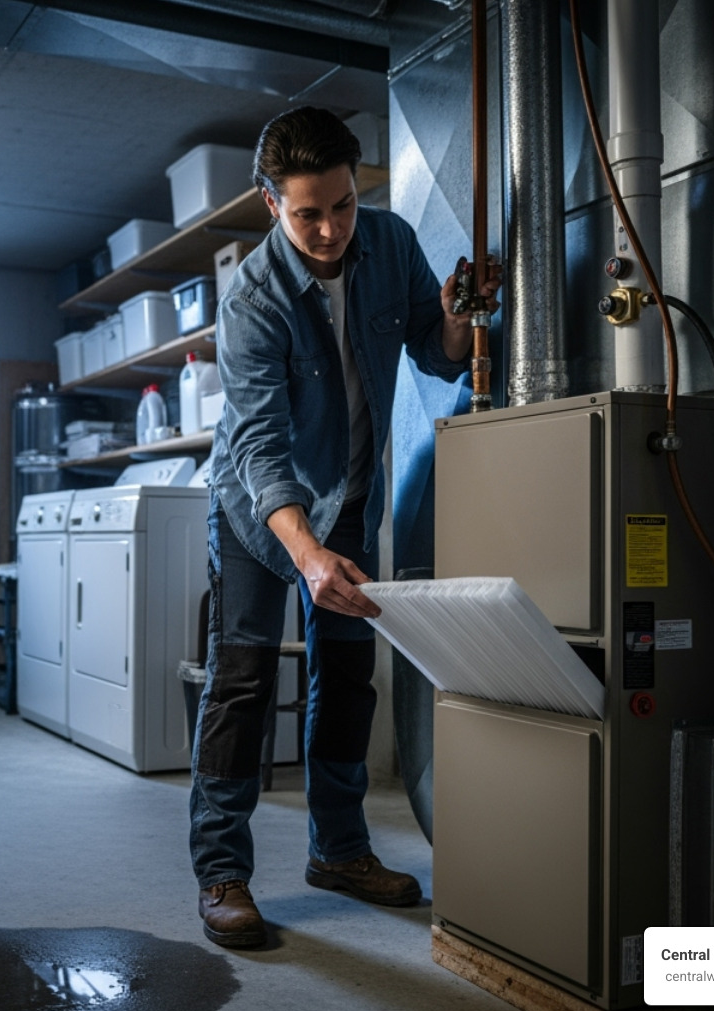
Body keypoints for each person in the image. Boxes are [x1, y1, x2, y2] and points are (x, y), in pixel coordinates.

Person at [189, 106, 502, 949]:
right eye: (306, 213)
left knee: (347, 676)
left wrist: (453, 315)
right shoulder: (251, 300)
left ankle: (340, 851)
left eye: (340, 206)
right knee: (243, 682)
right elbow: (257, 446)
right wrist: (305, 552)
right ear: (270, 204)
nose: (328, 230)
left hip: (351, 502)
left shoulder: (391, 243)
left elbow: (439, 360)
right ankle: (223, 872)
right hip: (261, 517)